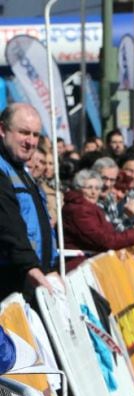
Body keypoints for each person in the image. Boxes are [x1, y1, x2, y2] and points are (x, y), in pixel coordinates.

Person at [0, 103, 56, 300]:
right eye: (24, 132)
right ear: (2, 130)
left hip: (35, 277)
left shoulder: (22, 170)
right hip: (12, 282)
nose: (30, 141)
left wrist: (51, 268)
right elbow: (9, 226)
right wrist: (32, 267)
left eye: (35, 135)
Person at [62, 169, 134, 269]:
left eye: (97, 188)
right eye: (89, 188)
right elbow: (104, 240)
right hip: (80, 266)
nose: (94, 192)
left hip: (93, 263)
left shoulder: (91, 208)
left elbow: (110, 234)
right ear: (79, 188)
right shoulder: (79, 210)